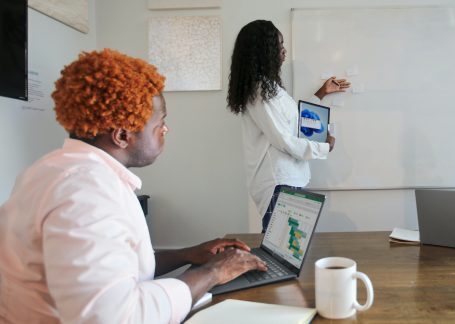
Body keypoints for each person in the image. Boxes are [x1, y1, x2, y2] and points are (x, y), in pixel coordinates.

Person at [0, 49, 267, 323]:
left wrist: (186, 254)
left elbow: (114, 270)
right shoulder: (86, 194)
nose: (166, 130)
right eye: (160, 123)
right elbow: (113, 317)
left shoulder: (54, 168)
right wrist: (213, 273)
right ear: (123, 135)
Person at [226, 20, 350, 232]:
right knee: (282, 253)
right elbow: (284, 140)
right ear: (263, 51)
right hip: (279, 183)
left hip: (287, 179)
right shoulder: (260, 92)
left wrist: (321, 93)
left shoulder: (268, 88)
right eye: (278, 45)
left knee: (288, 252)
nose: (283, 51)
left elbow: (293, 120)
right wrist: (324, 147)